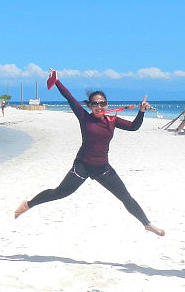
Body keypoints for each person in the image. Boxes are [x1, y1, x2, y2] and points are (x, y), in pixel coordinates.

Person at [14, 70, 165, 236]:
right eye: (95, 104)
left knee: (125, 197)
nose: (99, 106)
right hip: (83, 165)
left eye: (102, 103)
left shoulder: (112, 121)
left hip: (103, 168)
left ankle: (147, 224)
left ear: (106, 104)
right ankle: (28, 204)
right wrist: (56, 81)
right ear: (90, 106)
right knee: (60, 192)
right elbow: (69, 98)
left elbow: (134, 127)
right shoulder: (84, 117)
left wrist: (141, 111)